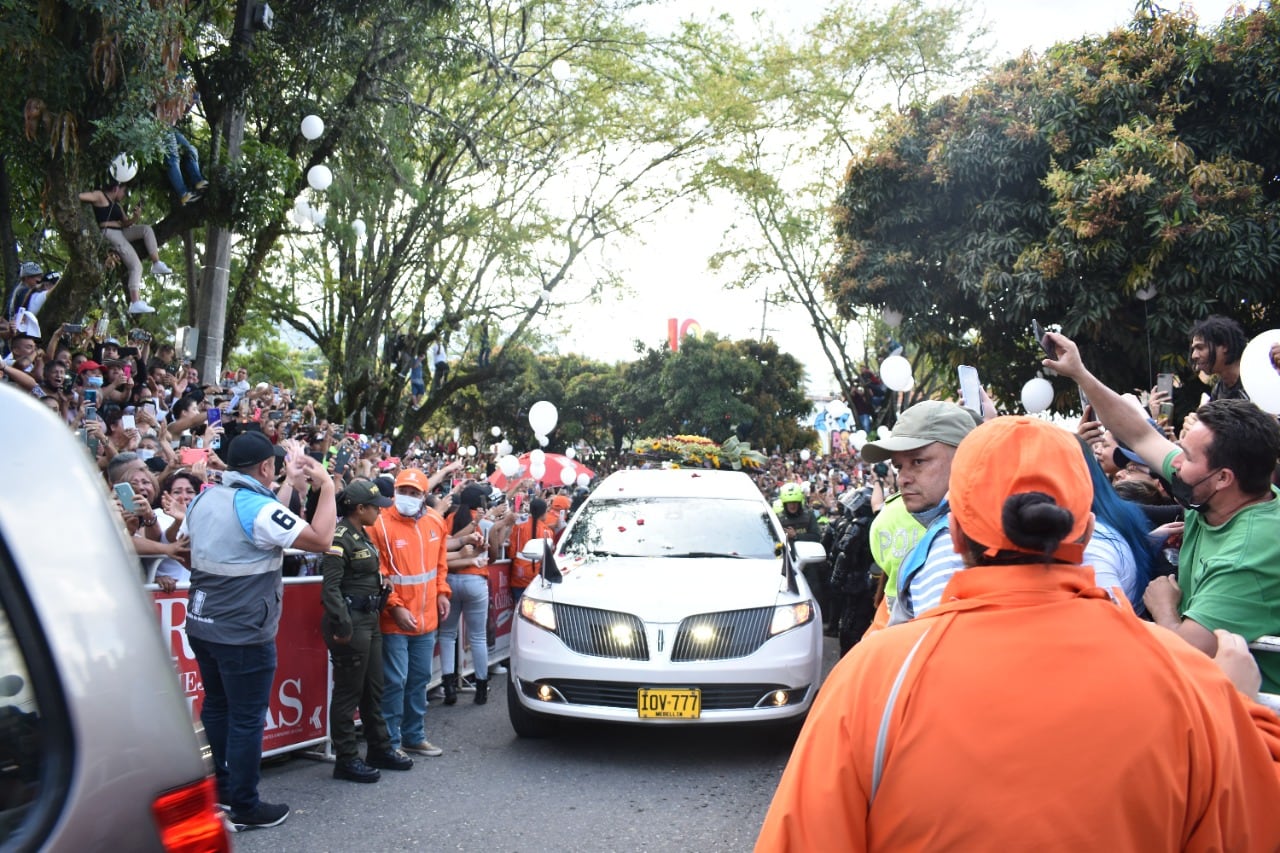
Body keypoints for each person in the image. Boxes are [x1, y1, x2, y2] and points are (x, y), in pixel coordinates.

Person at [755, 415, 1280, 851]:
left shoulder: (872, 679)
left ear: (954, 534)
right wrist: (1243, 708)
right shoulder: (1187, 679)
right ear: (1089, 531)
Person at [1046, 330, 1280, 692]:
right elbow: (1139, 434)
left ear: (1223, 479)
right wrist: (1080, 373)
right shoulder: (1218, 493)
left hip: (1253, 720)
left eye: (1185, 457)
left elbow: (1185, 657)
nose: (1174, 464)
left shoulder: (1247, 558)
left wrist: (1164, 606)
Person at [181, 432, 336, 831]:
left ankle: (222, 795)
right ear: (266, 467)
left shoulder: (205, 497)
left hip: (202, 623)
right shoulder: (255, 506)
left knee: (216, 706)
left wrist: (288, 485)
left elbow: (255, 526)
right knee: (248, 718)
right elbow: (320, 540)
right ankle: (246, 805)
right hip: (243, 630)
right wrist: (328, 486)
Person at [321, 480, 414, 783]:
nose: (379, 511)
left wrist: (380, 587)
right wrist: (342, 622)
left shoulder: (362, 535)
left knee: (374, 690)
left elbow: (363, 574)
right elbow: (331, 586)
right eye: (375, 507)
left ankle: (379, 748)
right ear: (360, 509)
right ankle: (346, 758)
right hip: (352, 621)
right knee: (349, 693)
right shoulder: (340, 537)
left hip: (370, 618)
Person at [858, 400, 975, 625]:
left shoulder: (954, 549)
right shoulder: (949, 532)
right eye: (899, 466)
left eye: (918, 461)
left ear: (964, 457)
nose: (903, 478)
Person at [365, 467, 451, 758]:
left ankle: (414, 736)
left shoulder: (436, 522)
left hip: (426, 620)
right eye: (403, 491)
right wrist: (396, 608)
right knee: (395, 681)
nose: (408, 497)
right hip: (394, 620)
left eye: (414, 493)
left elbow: (440, 564)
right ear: (395, 491)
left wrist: (442, 592)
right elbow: (379, 573)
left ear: (424, 496)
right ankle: (390, 742)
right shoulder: (378, 525)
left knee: (419, 679)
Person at [78, 179, 172, 314]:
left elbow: (126, 223)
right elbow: (81, 196)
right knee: (136, 266)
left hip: (121, 231)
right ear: (116, 188)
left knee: (146, 229)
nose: (124, 195)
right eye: (124, 191)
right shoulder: (100, 196)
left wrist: (135, 217)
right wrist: (114, 223)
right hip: (110, 233)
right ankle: (135, 301)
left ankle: (156, 262)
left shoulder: (117, 205)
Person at [1189, 315, 1248, 401]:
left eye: (1200, 348)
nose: (1194, 355)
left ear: (1225, 346)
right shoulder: (1218, 391)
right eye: (1193, 349)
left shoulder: (1257, 379)